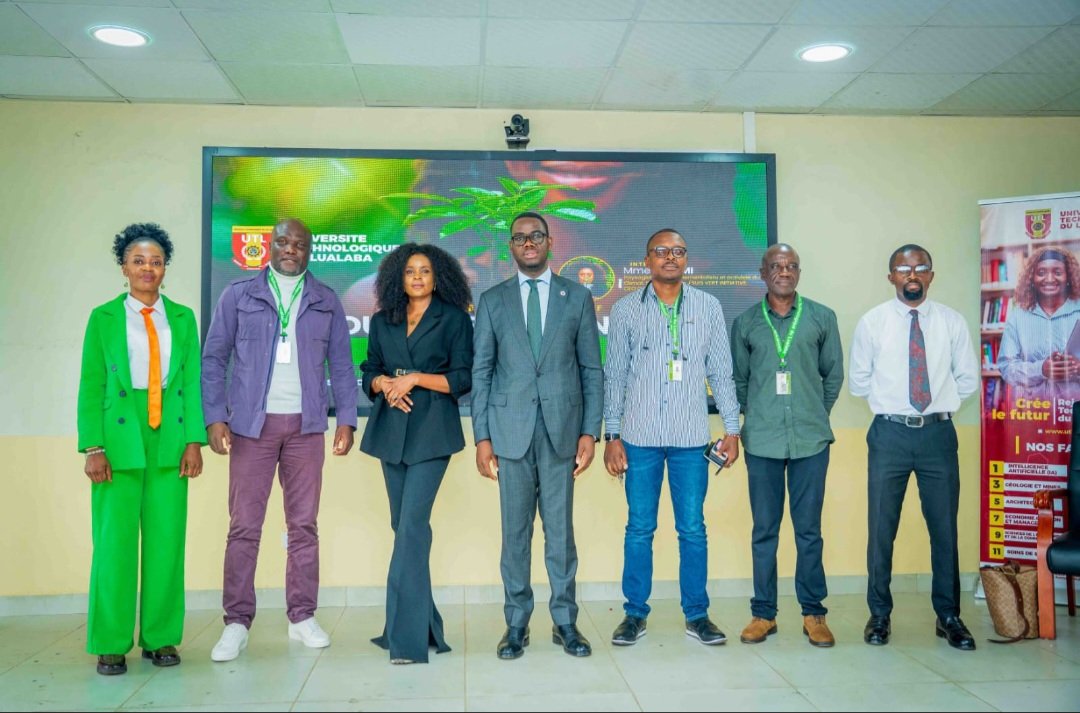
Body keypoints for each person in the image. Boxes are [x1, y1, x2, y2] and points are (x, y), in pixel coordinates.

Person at [202, 217, 358, 662]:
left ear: (311, 251)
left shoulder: (325, 300)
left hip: (307, 428)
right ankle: (236, 622)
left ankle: (302, 616)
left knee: (304, 527)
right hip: (252, 428)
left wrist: (345, 418)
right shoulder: (238, 296)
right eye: (283, 242)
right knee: (244, 527)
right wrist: (215, 417)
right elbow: (213, 359)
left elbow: (342, 367)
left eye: (300, 244)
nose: (291, 249)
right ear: (270, 246)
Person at [472, 211, 604, 660]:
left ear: (549, 243)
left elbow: (591, 370)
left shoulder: (577, 297)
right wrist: (482, 437)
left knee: (561, 534)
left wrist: (591, 431)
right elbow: (482, 372)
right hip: (508, 435)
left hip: (562, 433)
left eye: (536, 236)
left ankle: (565, 622)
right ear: (510, 246)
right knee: (515, 534)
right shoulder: (492, 300)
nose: (528, 243)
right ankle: (516, 624)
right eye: (519, 238)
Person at [77, 223, 205, 675]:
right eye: (138, 260)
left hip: (170, 439)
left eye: (155, 260)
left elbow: (191, 383)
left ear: (165, 267)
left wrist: (195, 439)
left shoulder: (184, 318)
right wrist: (93, 447)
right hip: (117, 439)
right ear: (123, 267)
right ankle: (110, 641)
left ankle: (161, 637)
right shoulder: (104, 317)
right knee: (113, 544)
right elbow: (92, 385)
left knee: (167, 543)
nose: (147, 268)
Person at [603, 229, 741, 647]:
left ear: (686, 259)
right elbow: (615, 377)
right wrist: (611, 434)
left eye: (678, 251)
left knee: (693, 529)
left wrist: (732, 429)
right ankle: (634, 615)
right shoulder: (626, 309)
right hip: (639, 438)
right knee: (639, 528)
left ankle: (697, 615)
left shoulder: (709, 306)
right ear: (647, 260)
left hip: (690, 439)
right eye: (661, 251)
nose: (670, 258)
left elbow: (721, 372)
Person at [849, 244, 979, 651]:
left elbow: (968, 381)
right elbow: (859, 381)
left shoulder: (952, 323)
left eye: (920, 267)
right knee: (881, 528)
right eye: (903, 268)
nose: (912, 274)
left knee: (944, 529)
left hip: (938, 435)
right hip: (889, 434)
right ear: (890, 277)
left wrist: (939, 407)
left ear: (931, 275)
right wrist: (895, 408)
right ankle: (879, 614)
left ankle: (948, 616)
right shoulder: (873, 323)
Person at [359, 243, 474, 664]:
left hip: (432, 433)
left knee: (411, 527)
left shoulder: (455, 319)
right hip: (390, 431)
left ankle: (405, 643)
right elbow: (369, 370)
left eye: (425, 271)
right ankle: (424, 627)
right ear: (398, 278)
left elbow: (462, 378)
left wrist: (416, 379)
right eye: (411, 271)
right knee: (404, 527)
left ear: (438, 276)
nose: (419, 278)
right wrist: (384, 384)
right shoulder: (381, 320)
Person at [730, 244, 843, 648]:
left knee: (809, 531)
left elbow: (833, 376)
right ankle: (764, 614)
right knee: (765, 531)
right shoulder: (745, 323)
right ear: (763, 272)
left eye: (791, 265)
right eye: (776, 266)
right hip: (761, 441)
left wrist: (813, 411)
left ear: (799, 272)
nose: (784, 271)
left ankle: (814, 613)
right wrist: (759, 414)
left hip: (811, 441)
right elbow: (739, 382)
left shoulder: (821, 317)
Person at [998, 245, 1080, 401]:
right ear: (1032, 279)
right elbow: (1006, 367)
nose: (1049, 279)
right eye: (1041, 273)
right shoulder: (1018, 317)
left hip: (1074, 412)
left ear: (1069, 277)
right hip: (1032, 411)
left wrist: (1078, 368)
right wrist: (1041, 369)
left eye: (1057, 272)